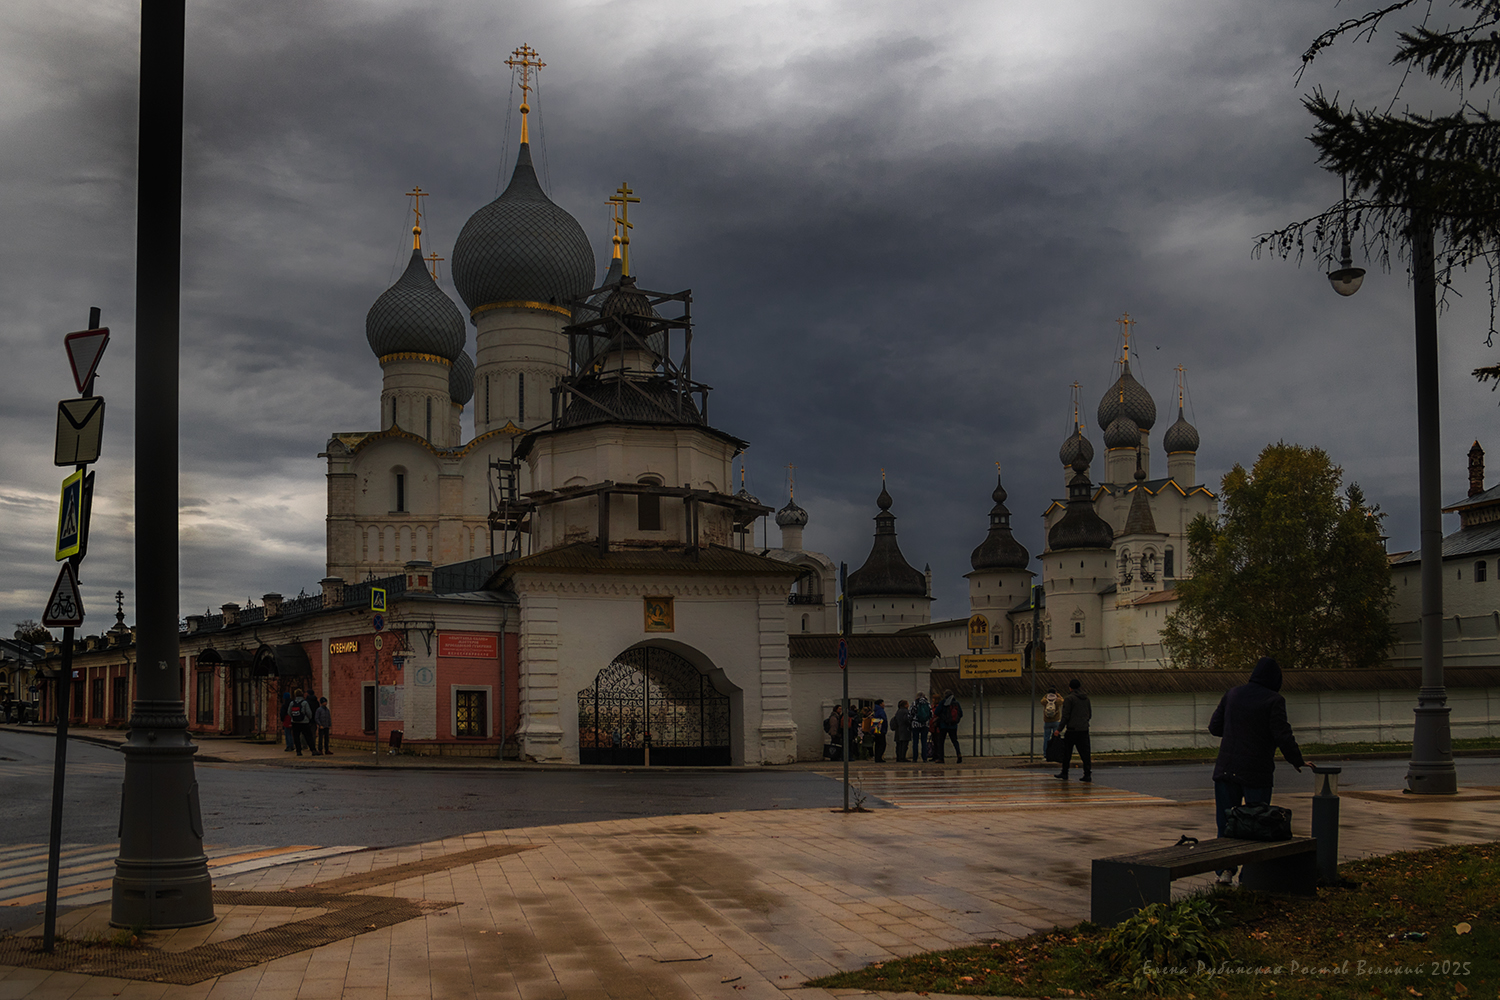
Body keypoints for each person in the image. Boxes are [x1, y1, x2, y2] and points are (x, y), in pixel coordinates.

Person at [1209, 656, 1307, 884]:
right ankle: (1250, 875)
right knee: (1257, 824)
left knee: (1226, 822)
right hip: (1256, 772)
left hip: (1226, 770)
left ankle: (1225, 871)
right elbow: (1282, 734)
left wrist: (1235, 731)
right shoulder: (1274, 700)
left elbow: (1214, 727)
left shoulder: (1232, 694)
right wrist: (1297, 760)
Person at [1054, 678, 1092, 781]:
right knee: (1085, 753)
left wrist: (1059, 729)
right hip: (1084, 729)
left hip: (1072, 730)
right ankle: (1087, 774)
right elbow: (1089, 714)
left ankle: (1064, 772)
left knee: (1067, 753)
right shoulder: (1086, 699)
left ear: (1070, 688)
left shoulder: (1069, 699)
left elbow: (1065, 716)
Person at [933, 692, 963, 763]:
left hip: (943, 725)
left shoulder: (943, 702)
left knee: (941, 742)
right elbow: (961, 714)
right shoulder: (956, 703)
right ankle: (959, 754)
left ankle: (941, 758)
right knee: (955, 741)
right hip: (953, 726)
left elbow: (936, 712)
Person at [288, 688, 315, 756]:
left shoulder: (292, 703)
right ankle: (313, 750)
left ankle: (298, 751)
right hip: (304, 722)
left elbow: (289, 712)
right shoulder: (304, 703)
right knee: (308, 736)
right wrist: (308, 718)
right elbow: (309, 713)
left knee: (296, 737)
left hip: (295, 722)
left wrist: (293, 717)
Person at [1040, 686, 1063, 759]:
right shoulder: (1057, 701)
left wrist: (1046, 695)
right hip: (1056, 721)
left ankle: (1045, 754)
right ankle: (1055, 754)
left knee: (1046, 738)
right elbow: (1062, 700)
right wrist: (1057, 694)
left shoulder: (1045, 701)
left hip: (1047, 722)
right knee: (1056, 738)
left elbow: (1041, 701)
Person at [911, 693, 933, 761]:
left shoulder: (914, 703)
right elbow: (931, 714)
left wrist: (912, 720)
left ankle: (915, 758)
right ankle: (924, 758)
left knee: (915, 741)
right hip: (925, 724)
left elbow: (910, 713)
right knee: (924, 741)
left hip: (916, 724)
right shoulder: (927, 703)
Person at [871, 699, 889, 763]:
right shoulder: (881, 711)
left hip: (876, 729)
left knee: (877, 744)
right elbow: (884, 720)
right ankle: (879, 757)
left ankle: (877, 757)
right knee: (882, 744)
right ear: (880, 704)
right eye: (883, 703)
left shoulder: (876, 710)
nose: (884, 705)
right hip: (881, 729)